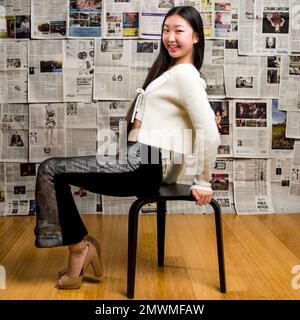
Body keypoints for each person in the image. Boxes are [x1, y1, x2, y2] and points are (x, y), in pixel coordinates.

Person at [34, 6, 220, 290]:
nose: (170, 37)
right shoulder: (170, 72)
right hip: (138, 162)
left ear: (196, 37)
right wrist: (169, 178)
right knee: (54, 172)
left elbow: (208, 132)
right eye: (166, 30)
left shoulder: (185, 76)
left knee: (50, 169)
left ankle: (78, 250)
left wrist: (203, 181)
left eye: (179, 31)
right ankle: (79, 247)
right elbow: (179, 130)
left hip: (137, 166)